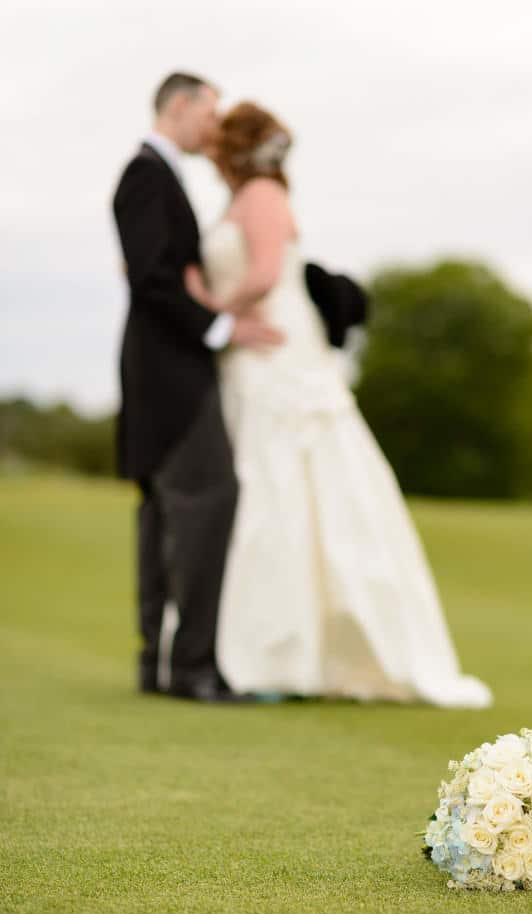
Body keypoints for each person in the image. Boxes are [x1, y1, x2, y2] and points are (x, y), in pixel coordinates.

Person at [188, 101, 491, 709]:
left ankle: (285, 654)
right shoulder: (248, 198)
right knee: (262, 487)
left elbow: (267, 273)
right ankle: (273, 649)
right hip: (254, 355)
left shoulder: (263, 196)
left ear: (234, 150)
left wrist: (203, 300)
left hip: (276, 351)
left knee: (284, 485)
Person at [112, 71, 283, 703]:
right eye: (206, 113)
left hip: (163, 369)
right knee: (206, 499)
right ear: (177, 105)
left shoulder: (155, 176)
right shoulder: (145, 175)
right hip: (171, 374)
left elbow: (151, 267)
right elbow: (154, 281)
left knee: (166, 512)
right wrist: (220, 328)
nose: (211, 127)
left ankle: (160, 666)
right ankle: (191, 669)